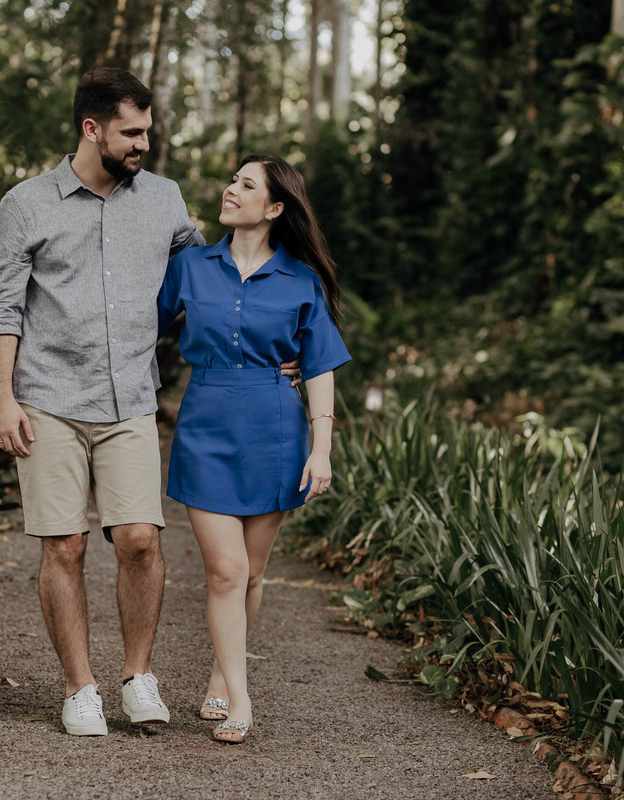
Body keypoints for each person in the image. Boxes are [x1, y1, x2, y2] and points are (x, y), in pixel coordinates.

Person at [0, 69, 300, 737]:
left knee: (139, 540)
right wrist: (2, 397)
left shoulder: (164, 199)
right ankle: (80, 688)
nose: (143, 144)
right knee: (64, 546)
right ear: (91, 128)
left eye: (147, 131)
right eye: (131, 132)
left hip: (129, 396)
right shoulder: (26, 203)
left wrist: (276, 342)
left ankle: (138, 677)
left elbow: (214, 277)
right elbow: (3, 308)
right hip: (46, 397)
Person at [157, 155, 351, 743]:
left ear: (273, 208)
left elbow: (319, 366)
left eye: (246, 185)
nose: (231, 189)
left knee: (253, 572)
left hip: (275, 432)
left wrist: (322, 449)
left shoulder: (301, 281)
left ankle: (223, 673)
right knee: (227, 570)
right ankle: (242, 700)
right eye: (232, 180)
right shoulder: (190, 266)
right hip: (205, 429)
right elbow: (139, 330)